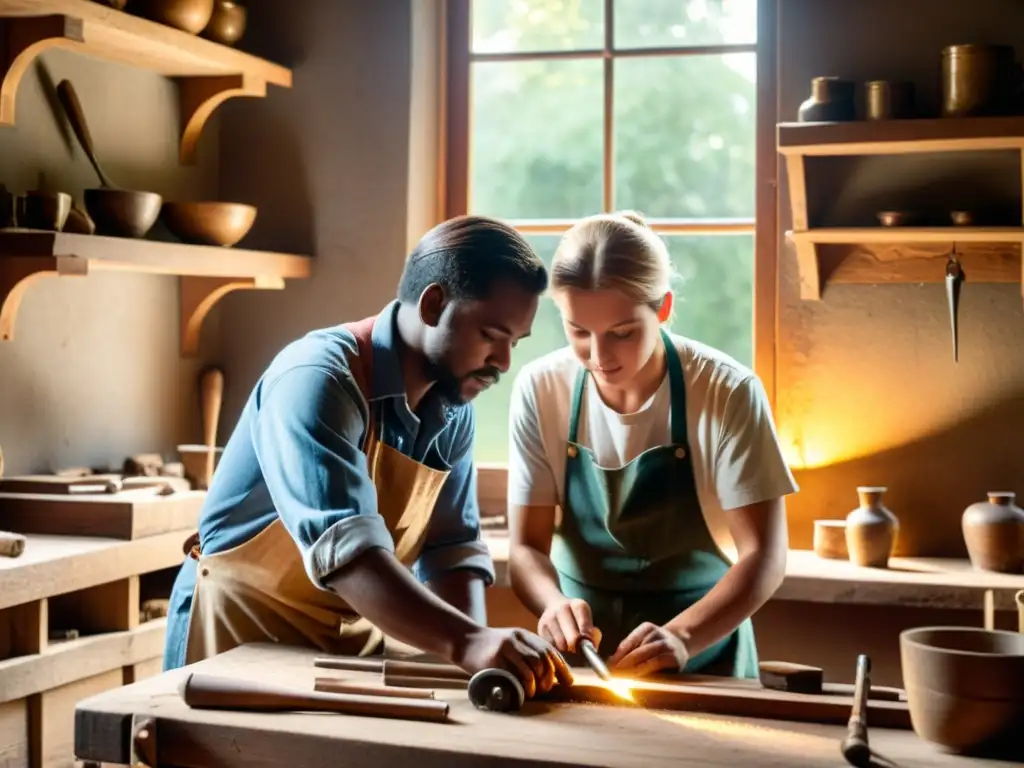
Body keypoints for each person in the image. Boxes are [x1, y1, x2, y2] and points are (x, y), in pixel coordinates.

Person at [164, 215, 572, 699]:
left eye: (514, 343)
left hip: (347, 652)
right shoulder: (317, 380)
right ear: (433, 304)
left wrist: (477, 667)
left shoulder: (453, 405)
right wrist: (468, 642)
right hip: (233, 642)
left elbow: (451, 552)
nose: (503, 363)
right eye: (490, 335)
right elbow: (350, 558)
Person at [506, 211, 798, 680]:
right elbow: (525, 549)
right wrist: (552, 604)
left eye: (621, 333)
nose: (599, 357)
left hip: (703, 654)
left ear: (662, 308)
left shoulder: (726, 391)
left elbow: (764, 557)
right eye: (579, 331)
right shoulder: (541, 389)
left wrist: (683, 636)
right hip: (582, 658)